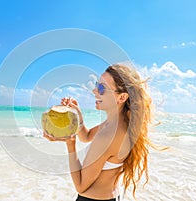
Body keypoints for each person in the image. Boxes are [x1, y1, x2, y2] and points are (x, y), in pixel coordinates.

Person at [43, 63, 154, 201]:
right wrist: (78, 115)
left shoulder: (108, 135)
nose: (95, 91)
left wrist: (70, 144)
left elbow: (81, 186)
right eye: (97, 85)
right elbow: (86, 136)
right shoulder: (118, 123)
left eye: (102, 88)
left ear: (121, 97)